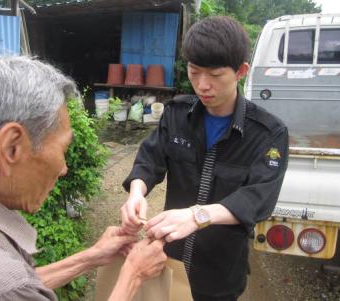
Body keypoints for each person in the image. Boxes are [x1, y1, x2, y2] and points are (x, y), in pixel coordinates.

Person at [0, 56, 167, 301]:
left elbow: (22, 286)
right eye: (62, 149)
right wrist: (133, 273)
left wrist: (92, 256)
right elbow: (11, 288)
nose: (64, 168)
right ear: (11, 147)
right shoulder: (2, 286)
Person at [121, 16, 289, 301]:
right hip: (168, 260)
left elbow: (258, 197)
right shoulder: (176, 114)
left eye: (215, 75)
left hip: (219, 273)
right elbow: (150, 158)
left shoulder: (268, 134)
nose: (203, 85)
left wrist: (197, 215)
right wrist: (136, 192)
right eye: (195, 72)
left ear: (240, 71)